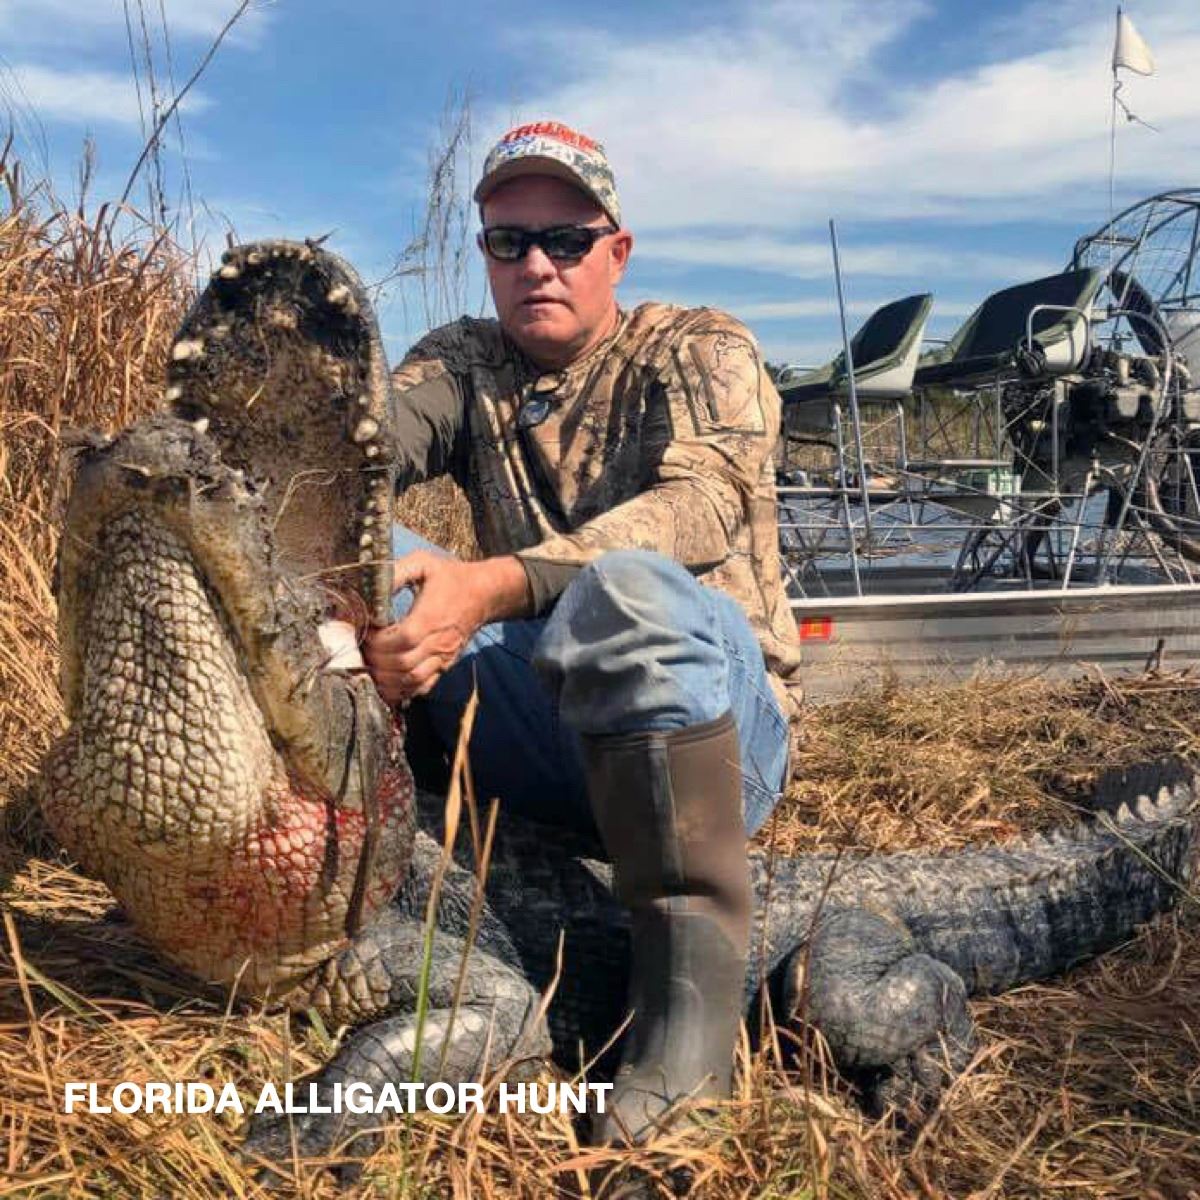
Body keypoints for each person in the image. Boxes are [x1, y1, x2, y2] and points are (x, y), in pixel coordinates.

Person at [363, 120, 803, 1144]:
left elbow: (702, 509)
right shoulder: (463, 361)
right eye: (508, 241)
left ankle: (684, 1042)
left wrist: (493, 585)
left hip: (714, 730)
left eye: (566, 240)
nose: (537, 265)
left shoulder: (700, 347)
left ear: (618, 251)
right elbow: (366, 451)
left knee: (627, 592)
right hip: (550, 714)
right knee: (364, 554)